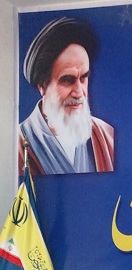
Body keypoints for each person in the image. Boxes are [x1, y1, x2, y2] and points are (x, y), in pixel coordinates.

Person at [18, 17, 114, 175]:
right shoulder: (16, 145)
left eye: (83, 78)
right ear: (42, 86)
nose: (79, 92)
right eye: (68, 80)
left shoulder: (106, 135)